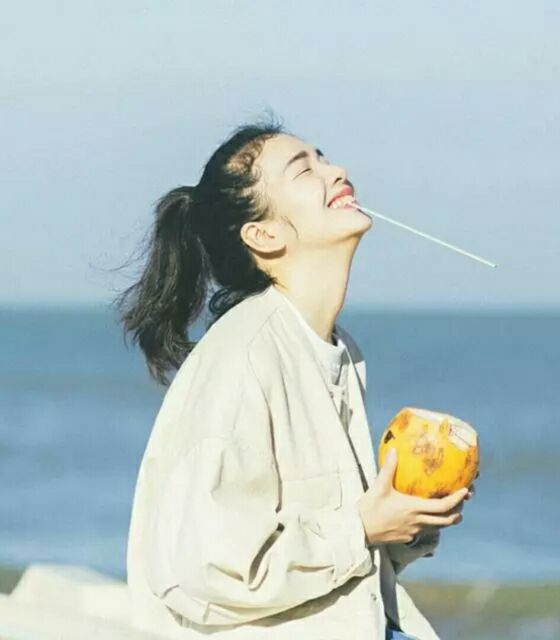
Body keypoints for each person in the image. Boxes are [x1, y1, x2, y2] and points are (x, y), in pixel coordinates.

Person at [113, 115, 472, 640]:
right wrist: (364, 526)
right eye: (305, 170)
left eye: (323, 157)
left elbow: (333, 554)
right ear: (264, 235)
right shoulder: (242, 358)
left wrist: (408, 519)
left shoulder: (336, 349)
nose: (337, 170)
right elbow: (210, 568)